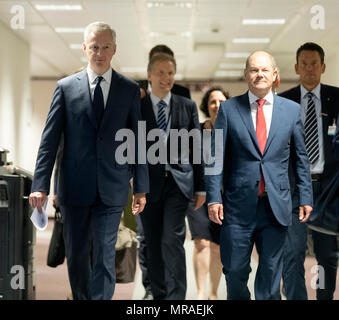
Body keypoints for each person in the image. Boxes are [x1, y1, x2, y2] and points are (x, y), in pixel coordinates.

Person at [29, 21, 149, 300]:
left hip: (112, 187)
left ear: (114, 49)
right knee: (78, 255)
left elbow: (138, 142)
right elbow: (49, 140)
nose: (99, 52)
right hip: (74, 188)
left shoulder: (128, 89)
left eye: (105, 47)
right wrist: (40, 185)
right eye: (94, 47)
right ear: (85, 48)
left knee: (105, 254)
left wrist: (141, 186)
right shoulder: (66, 88)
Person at [205, 51, 313, 300]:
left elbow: (301, 158)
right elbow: (215, 157)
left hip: (276, 205)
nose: (259, 75)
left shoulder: (291, 111)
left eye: (265, 70)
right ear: (246, 75)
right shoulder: (229, 110)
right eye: (254, 70)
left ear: (275, 75)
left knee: (271, 273)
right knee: (234, 270)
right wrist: (213, 197)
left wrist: (306, 196)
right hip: (237, 207)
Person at [139, 53, 205, 300]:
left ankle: (177, 298)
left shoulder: (186, 106)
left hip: (179, 184)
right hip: (148, 186)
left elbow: (196, 147)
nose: (166, 78)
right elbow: (128, 146)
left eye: (170, 73)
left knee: (172, 240)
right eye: (160, 73)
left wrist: (201, 187)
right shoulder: (139, 107)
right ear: (149, 75)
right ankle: (159, 295)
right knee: (153, 244)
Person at [280, 42, 339, 300]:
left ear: (323, 67)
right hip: (295, 187)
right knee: (293, 252)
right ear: (296, 67)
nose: (309, 68)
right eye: (304, 63)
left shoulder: (337, 99)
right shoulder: (282, 102)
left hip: (328, 189)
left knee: (327, 253)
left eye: (314, 63)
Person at [186, 86, 229, 300]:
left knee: (217, 247)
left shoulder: (233, 132)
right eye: (213, 101)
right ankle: (201, 293)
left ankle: (213, 292)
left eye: (221, 101)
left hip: (223, 197)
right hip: (198, 195)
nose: (217, 105)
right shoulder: (197, 131)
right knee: (201, 242)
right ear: (207, 106)